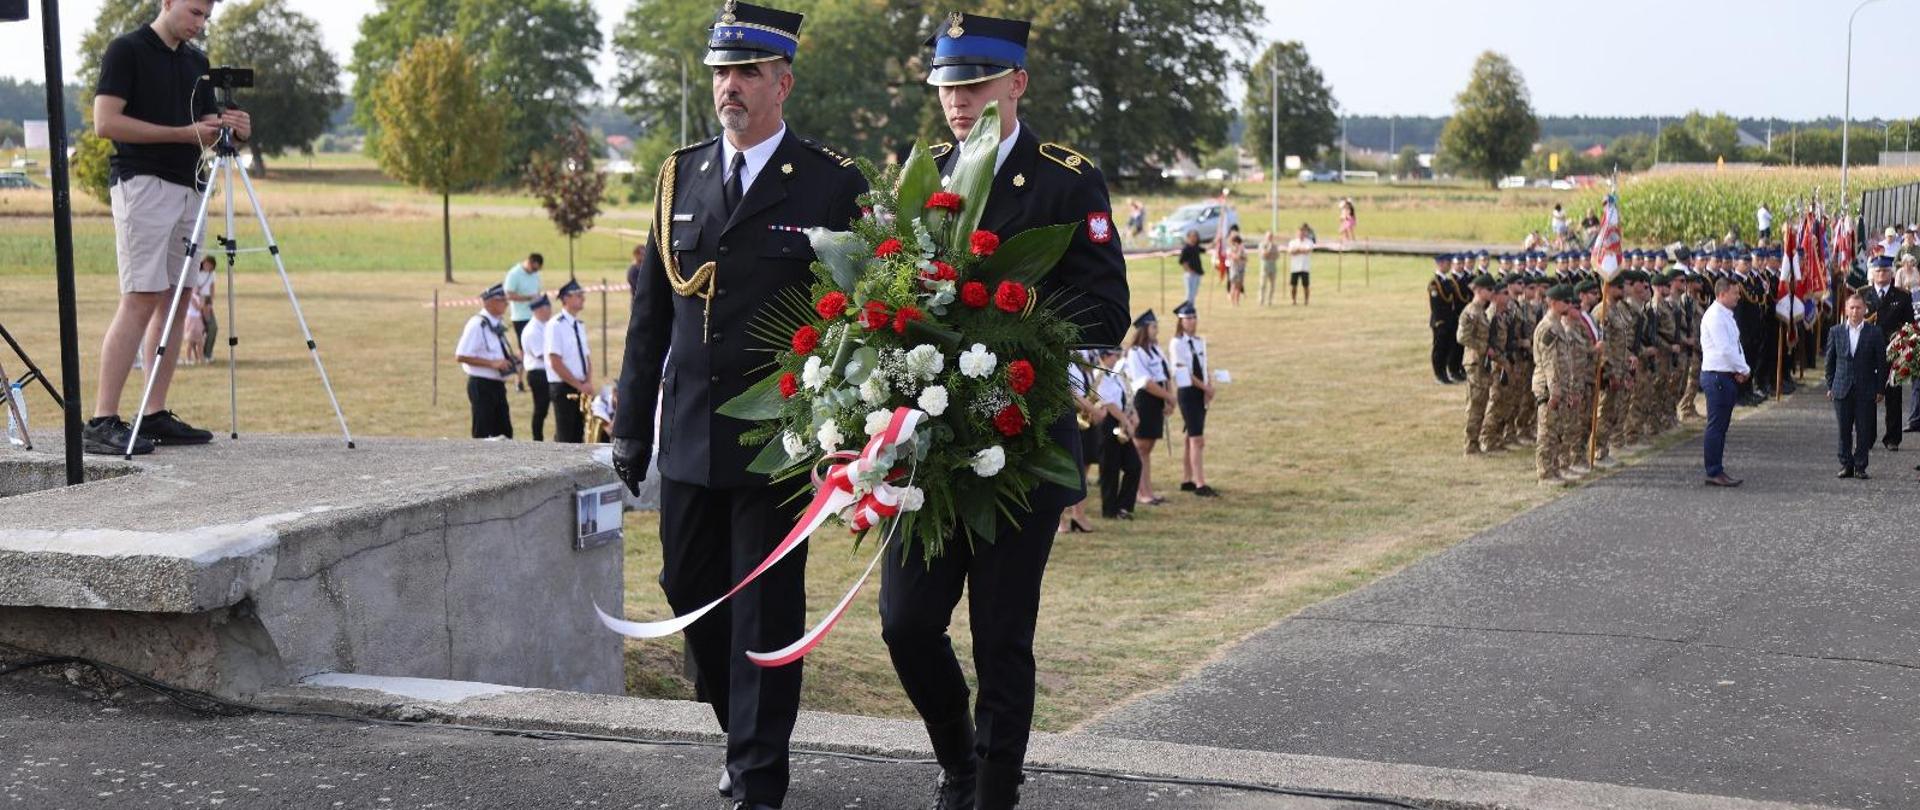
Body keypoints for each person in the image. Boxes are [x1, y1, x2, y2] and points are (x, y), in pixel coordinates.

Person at [608, 5, 870, 808]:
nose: (730, 86)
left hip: (781, 439)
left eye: (748, 72)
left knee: (765, 610)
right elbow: (652, 315)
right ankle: (740, 734)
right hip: (689, 434)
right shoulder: (676, 176)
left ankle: (759, 780)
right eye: (722, 71)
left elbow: (864, 322)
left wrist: (848, 437)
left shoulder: (831, 184)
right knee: (687, 589)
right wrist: (629, 427)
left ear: (783, 83)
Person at [874, 14, 1131, 810]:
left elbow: (1107, 309)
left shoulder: (1065, 177)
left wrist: (1012, 330)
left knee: (1000, 635)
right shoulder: (928, 176)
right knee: (906, 622)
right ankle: (957, 755)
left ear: (1017, 82)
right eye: (949, 86)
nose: (958, 101)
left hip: (1021, 443)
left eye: (976, 83)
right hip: (935, 443)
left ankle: (992, 788)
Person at [84, 0, 248, 456]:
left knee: (176, 300)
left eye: (206, 16)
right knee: (140, 296)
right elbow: (105, 122)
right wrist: (183, 133)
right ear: (167, 3)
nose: (200, 24)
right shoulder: (127, 49)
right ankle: (102, 420)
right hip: (142, 184)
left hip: (190, 187)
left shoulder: (197, 62)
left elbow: (206, 132)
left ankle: (153, 413)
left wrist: (235, 128)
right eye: (194, 12)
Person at [1826, 295, 1887, 479]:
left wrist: (1880, 389)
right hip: (1841, 387)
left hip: (1865, 388)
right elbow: (1830, 361)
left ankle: (1860, 465)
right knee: (1844, 429)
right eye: (1851, 308)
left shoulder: (1874, 332)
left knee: (1863, 429)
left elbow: (1881, 363)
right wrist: (1830, 385)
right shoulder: (1835, 331)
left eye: (1858, 308)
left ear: (1865, 309)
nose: (1855, 311)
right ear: (1846, 310)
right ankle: (1846, 464)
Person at [1857, 256, 1912, 452]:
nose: (1881, 274)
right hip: (1868, 353)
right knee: (1866, 397)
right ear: (1872, 272)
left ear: (1891, 272)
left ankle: (1892, 438)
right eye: (1878, 271)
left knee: (1893, 396)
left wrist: (1903, 351)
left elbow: (1909, 327)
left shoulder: (1902, 296)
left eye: (1885, 271)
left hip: (1892, 352)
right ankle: (1867, 436)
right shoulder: (1862, 294)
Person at [1700, 278, 1749, 487]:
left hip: (1725, 374)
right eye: (1735, 293)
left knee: (1721, 426)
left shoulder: (1725, 315)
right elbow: (1724, 349)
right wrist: (1743, 369)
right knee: (1716, 426)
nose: (1738, 297)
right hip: (1717, 375)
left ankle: (1717, 468)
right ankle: (1713, 470)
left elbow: (1735, 345)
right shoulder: (1715, 317)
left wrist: (1740, 368)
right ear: (1722, 294)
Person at [453, 284, 516, 440]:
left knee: (504, 433)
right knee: (483, 433)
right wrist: (492, 364)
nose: (506, 304)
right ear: (488, 303)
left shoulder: (496, 323)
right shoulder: (477, 324)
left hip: (497, 384)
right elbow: (461, 355)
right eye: (502, 300)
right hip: (482, 385)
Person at [1125, 310, 1173, 507]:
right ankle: (1140, 491)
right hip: (1145, 401)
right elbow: (1144, 382)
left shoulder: (1155, 349)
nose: (1157, 330)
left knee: (1148, 448)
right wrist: (1169, 396)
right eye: (1153, 327)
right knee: (1141, 447)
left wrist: (1169, 398)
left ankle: (1147, 490)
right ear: (1144, 329)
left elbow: (1165, 373)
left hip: (1157, 400)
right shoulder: (1136, 353)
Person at [1170, 302, 1216, 497]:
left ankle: (1187, 479)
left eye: (1194, 317)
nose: (1192, 321)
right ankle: (1200, 483)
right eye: (1188, 318)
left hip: (1200, 392)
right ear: (1181, 321)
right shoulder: (1177, 343)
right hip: (1188, 391)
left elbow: (1203, 365)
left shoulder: (1199, 341)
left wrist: (1209, 384)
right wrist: (1204, 386)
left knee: (1191, 436)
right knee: (1197, 439)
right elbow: (1184, 371)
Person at [1093, 347, 1140, 519]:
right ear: (1104, 356)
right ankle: (1110, 509)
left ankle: (1124, 506)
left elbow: (1126, 396)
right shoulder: (1099, 375)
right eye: (1114, 355)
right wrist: (1126, 422)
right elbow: (1109, 403)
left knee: (1134, 465)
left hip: (1122, 421)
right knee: (1110, 469)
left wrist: (1133, 413)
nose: (1117, 358)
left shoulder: (1115, 374)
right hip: (1109, 423)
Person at [546, 279, 593, 445]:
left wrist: (587, 381)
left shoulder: (579, 325)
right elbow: (555, 362)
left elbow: (586, 356)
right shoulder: (555, 325)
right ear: (565, 299)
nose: (583, 299)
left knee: (578, 437)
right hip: (564, 387)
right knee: (566, 438)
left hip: (580, 386)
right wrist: (580, 386)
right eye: (578, 295)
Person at [1458, 274, 1498, 456]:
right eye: (1489, 290)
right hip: (1475, 362)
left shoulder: (1482, 311)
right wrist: (1484, 348)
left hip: (1482, 362)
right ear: (1479, 290)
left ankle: (1474, 442)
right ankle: (1470, 444)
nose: (1492, 293)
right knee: (1475, 404)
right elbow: (1462, 337)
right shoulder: (1471, 312)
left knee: (1481, 403)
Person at [522, 295, 554, 441]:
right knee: (541, 409)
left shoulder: (545, 325)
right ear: (539, 310)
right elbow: (542, 355)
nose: (550, 311)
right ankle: (537, 439)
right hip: (538, 374)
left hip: (547, 372)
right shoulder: (532, 330)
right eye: (548, 308)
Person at [503, 253, 544, 342]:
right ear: (529, 262)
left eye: (537, 270)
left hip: (536, 316)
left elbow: (537, 291)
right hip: (521, 317)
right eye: (534, 269)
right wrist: (528, 298)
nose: (535, 272)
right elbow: (508, 295)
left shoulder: (535, 274)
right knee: (524, 346)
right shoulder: (514, 274)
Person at [181, 256, 213, 366]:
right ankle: (188, 359)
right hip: (192, 320)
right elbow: (197, 307)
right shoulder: (191, 297)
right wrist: (203, 303)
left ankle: (201, 358)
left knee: (199, 341)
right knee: (190, 342)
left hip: (197, 320)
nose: (198, 288)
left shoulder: (197, 296)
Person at [1287, 223, 1313, 306]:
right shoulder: (1292, 242)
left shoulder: (1309, 242)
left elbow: (1307, 251)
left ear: (1305, 233)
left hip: (1305, 267)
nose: (1301, 234)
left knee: (1306, 285)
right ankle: (1293, 300)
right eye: (1300, 232)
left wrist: (1297, 250)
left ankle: (1306, 301)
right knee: (1293, 286)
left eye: (1303, 232)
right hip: (1295, 267)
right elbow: (1291, 252)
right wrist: (1300, 250)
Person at [1178, 229, 1204, 306]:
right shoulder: (1186, 248)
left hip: (1198, 273)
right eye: (1192, 236)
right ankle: (1187, 309)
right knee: (1189, 294)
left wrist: (1216, 241)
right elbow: (1182, 261)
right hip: (1190, 274)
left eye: (1195, 236)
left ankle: (1191, 308)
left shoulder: (1196, 247)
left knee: (1194, 293)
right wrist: (1188, 270)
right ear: (1188, 237)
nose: (1194, 238)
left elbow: (1205, 249)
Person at [1257, 230, 1281, 306]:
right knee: (1262, 284)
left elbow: (1277, 256)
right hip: (1265, 267)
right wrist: (1269, 251)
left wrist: (1270, 254)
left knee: (1272, 285)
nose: (1270, 238)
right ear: (1265, 237)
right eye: (1268, 236)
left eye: (1271, 236)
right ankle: (1261, 300)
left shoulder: (1275, 245)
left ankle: (1269, 300)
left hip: (1273, 267)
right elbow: (1264, 255)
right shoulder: (1262, 245)